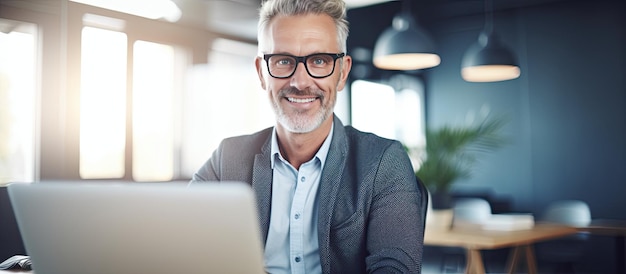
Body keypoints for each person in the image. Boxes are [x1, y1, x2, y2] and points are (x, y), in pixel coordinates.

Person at [190, 0, 425, 272]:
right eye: (283, 61)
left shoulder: (384, 163)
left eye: (319, 60)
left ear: (342, 72)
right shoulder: (227, 160)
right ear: (261, 73)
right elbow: (182, 246)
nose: (300, 82)